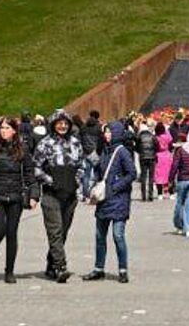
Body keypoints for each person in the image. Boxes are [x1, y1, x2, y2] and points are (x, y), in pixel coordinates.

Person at [0, 118, 37, 282]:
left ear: (14, 131)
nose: (3, 131)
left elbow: (29, 173)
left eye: (7, 128)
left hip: (15, 196)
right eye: (2, 128)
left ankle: (9, 271)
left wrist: (34, 195)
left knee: (12, 233)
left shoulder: (22, 149)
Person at [34, 110, 84, 282]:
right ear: (53, 125)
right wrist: (50, 180)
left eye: (65, 123)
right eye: (59, 123)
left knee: (63, 231)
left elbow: (81, 165)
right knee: (55, 231)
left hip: (69, 193)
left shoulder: (75, 143)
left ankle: (51, 264)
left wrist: (76, 180)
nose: (62, 126)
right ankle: (61, 266)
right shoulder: (45, 144)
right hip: (52, 194)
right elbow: (36, 168)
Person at [84, 120, 136, 283]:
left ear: (117, 133)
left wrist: (115, 187)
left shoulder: (122, 152)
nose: (106, 135)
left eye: (109, 132)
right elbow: (98, 171)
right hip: (104, 200)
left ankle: (123, 269)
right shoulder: (104, 150)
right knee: (100, 236)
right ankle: (99, 268)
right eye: (105, 132)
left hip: (119, 199)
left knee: (118, 235)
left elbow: (132, 173)